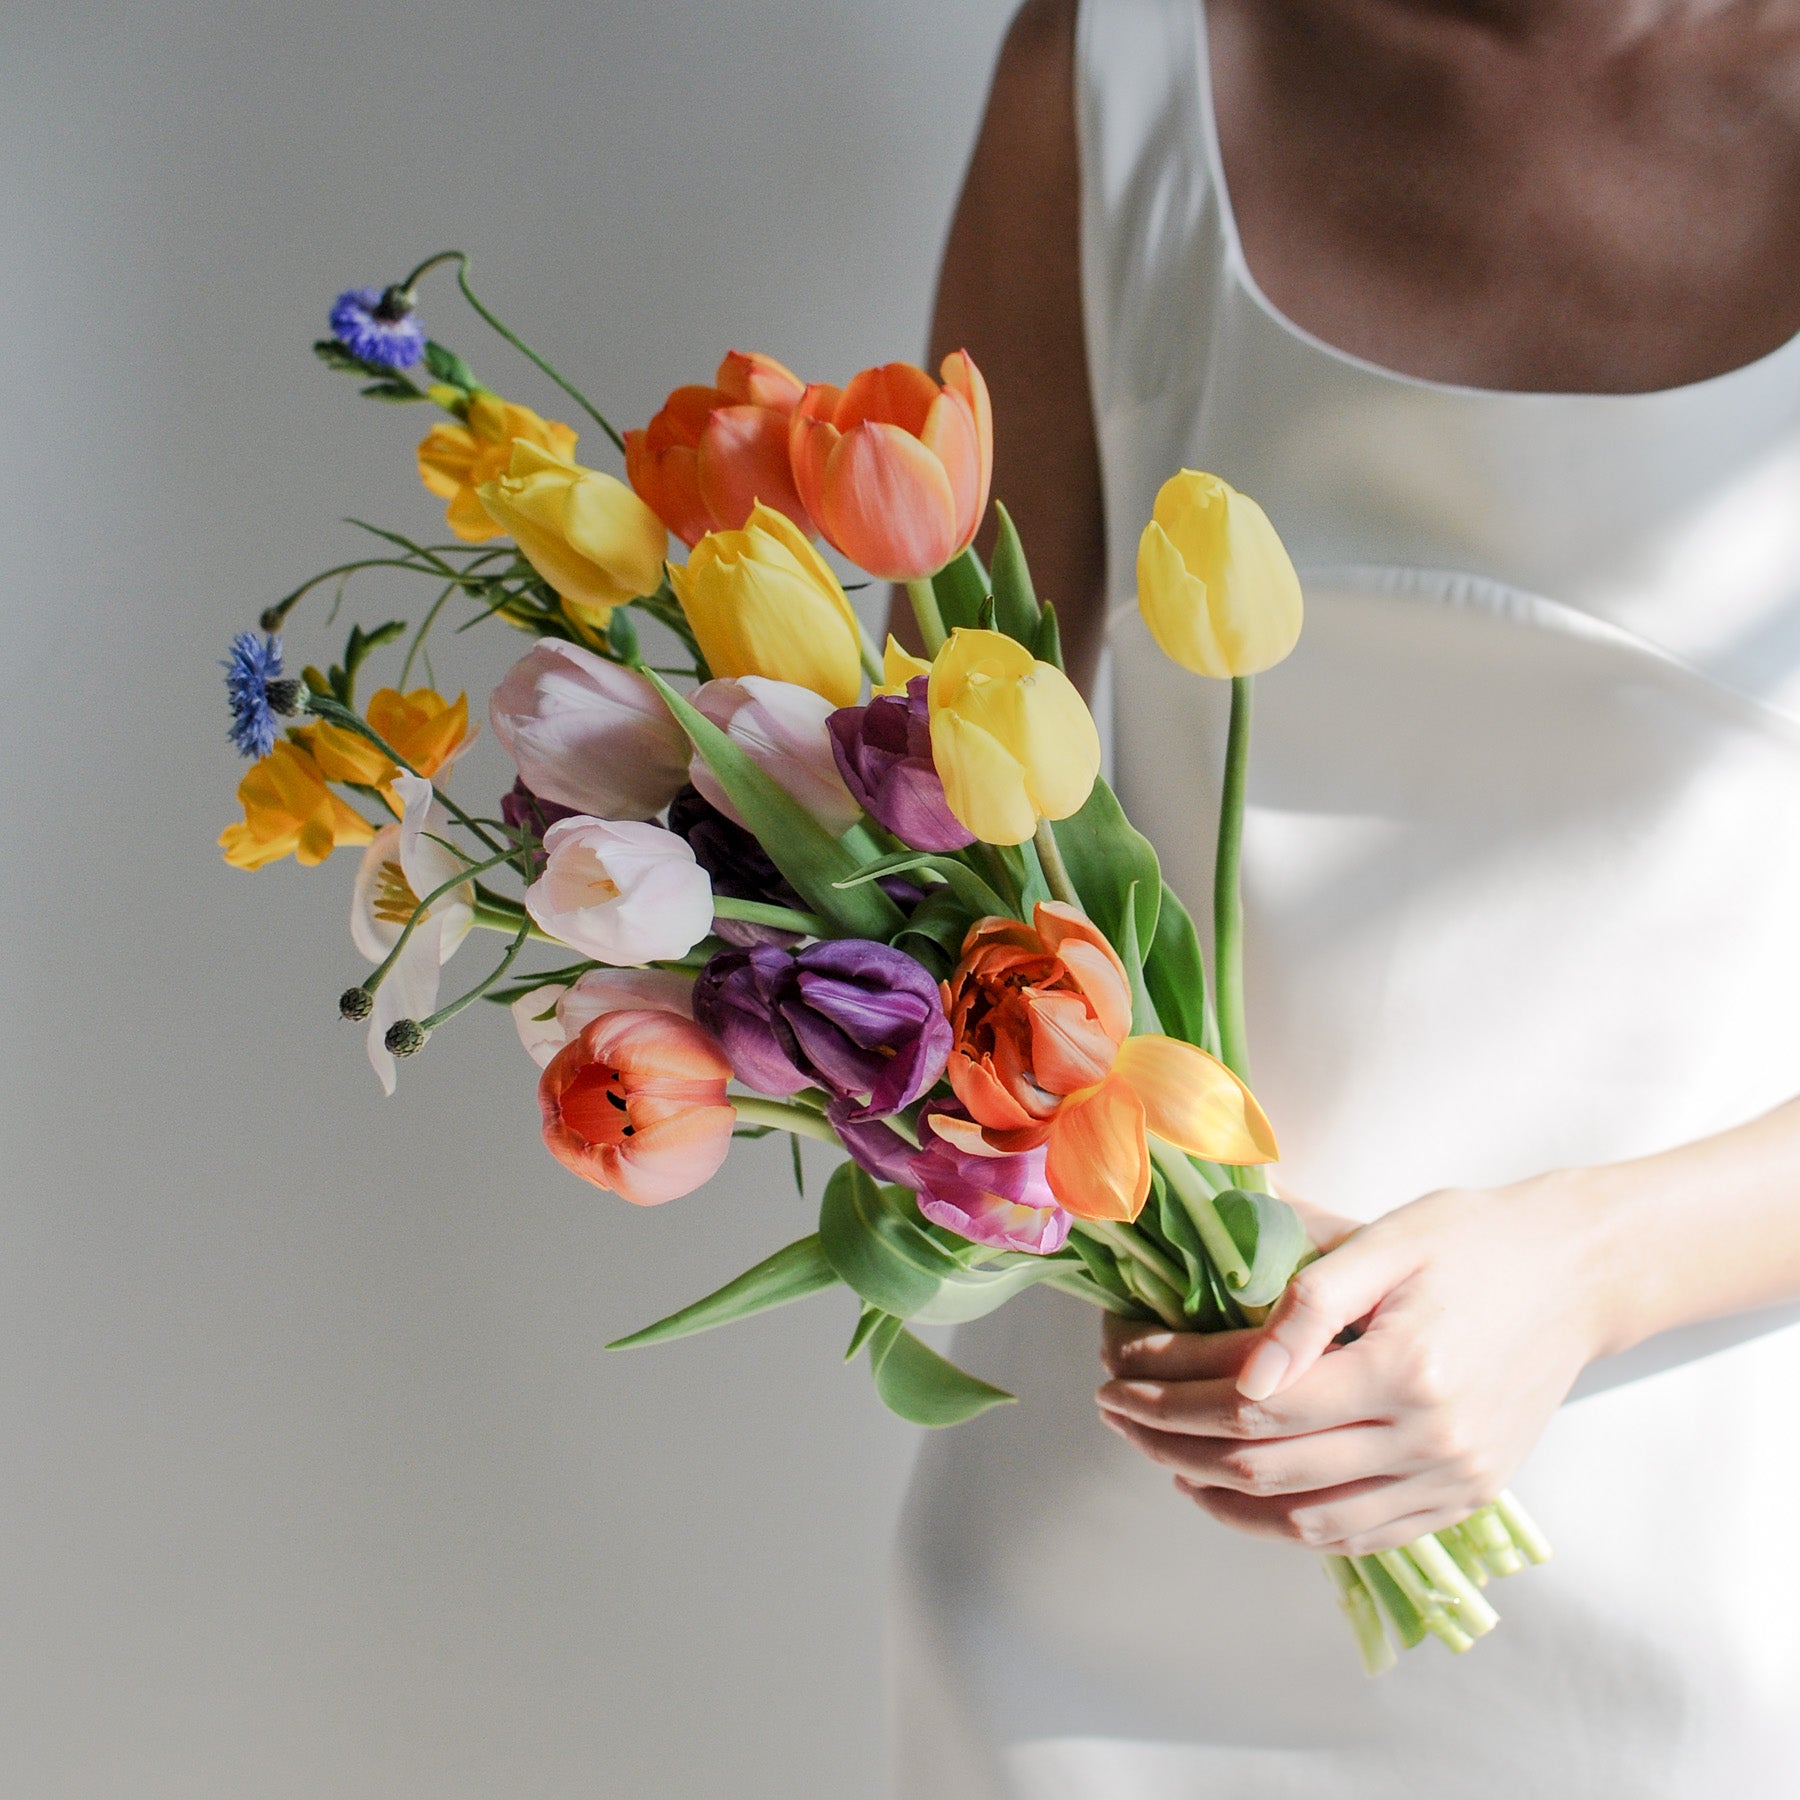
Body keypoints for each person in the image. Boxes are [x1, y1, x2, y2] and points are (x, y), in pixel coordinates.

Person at [890, 0, 1800, 1792]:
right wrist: (1156, 1215)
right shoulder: (1112, 62)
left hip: (1694, 1596)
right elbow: (933, 819)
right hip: (1115, 1555)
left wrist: (1588, 1270)